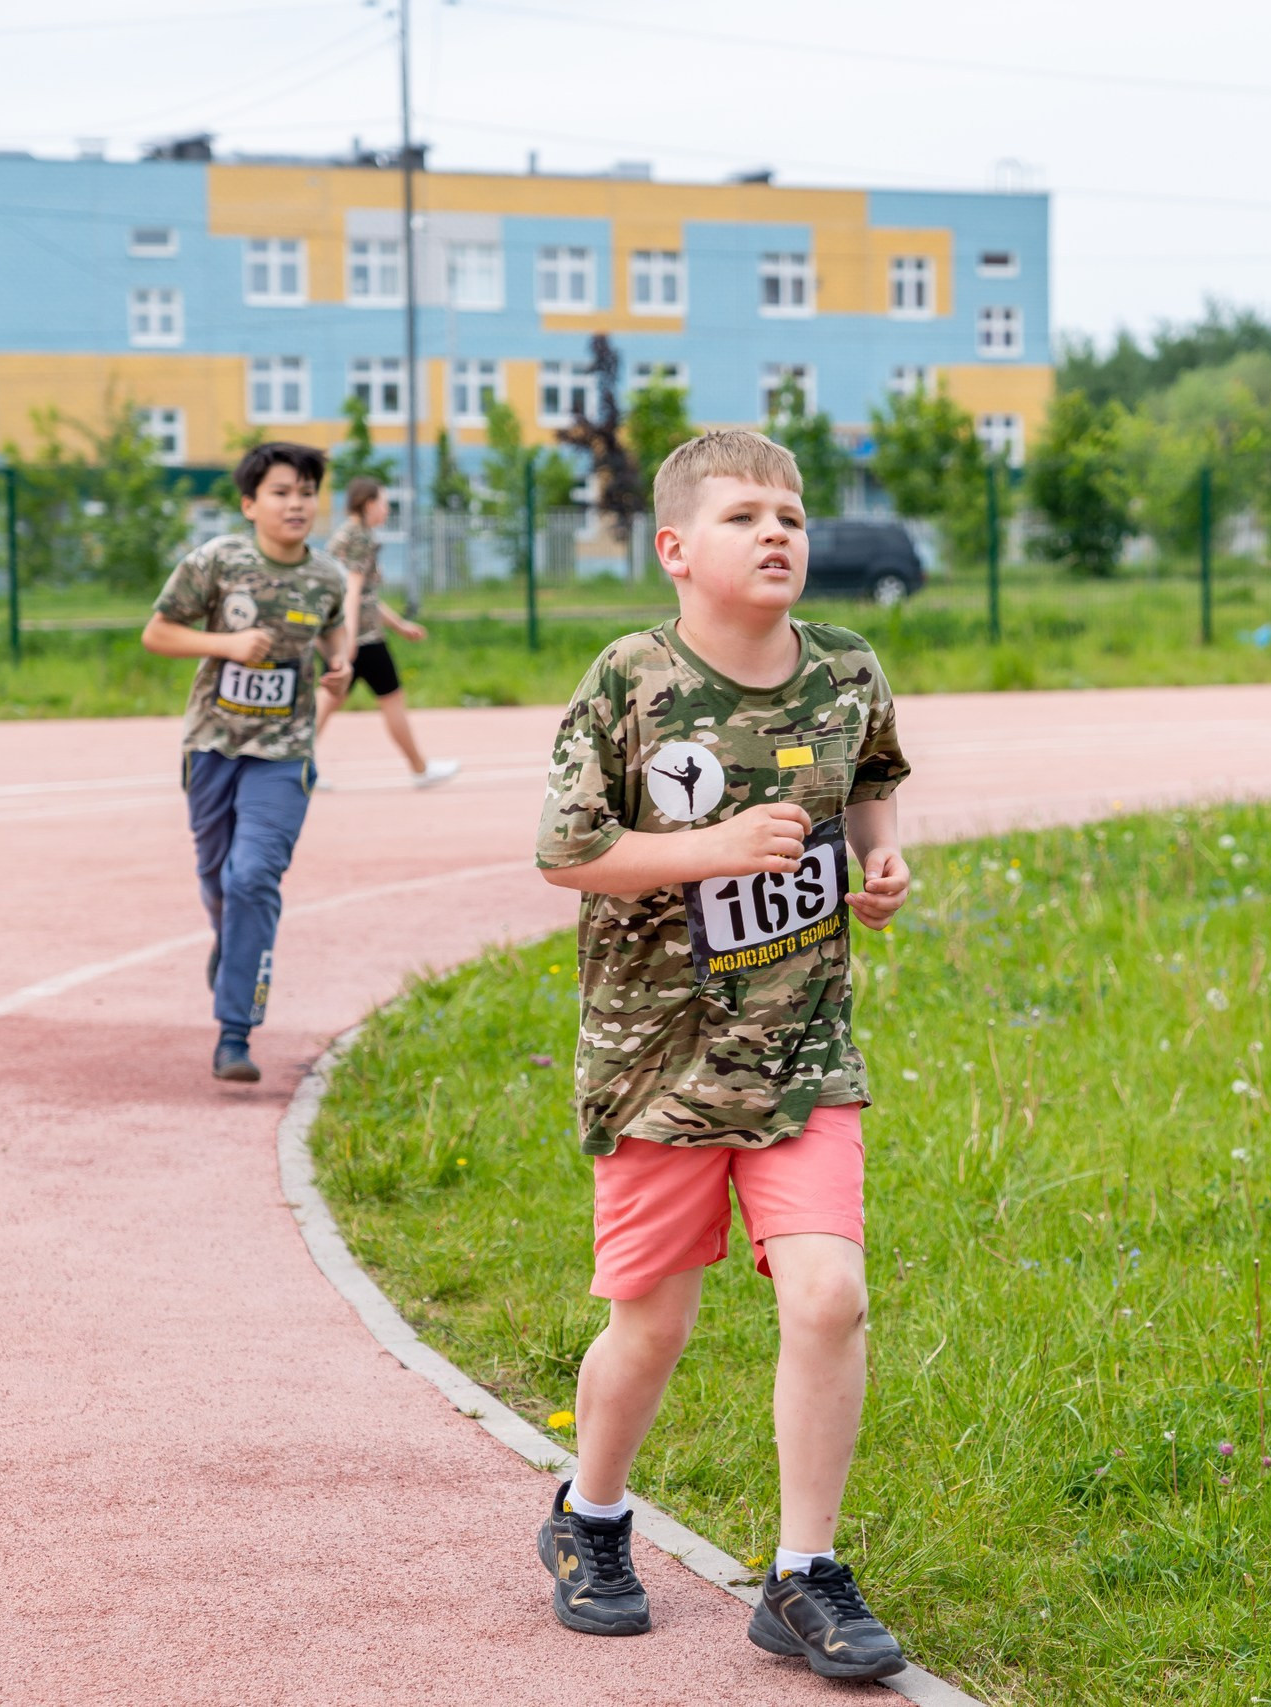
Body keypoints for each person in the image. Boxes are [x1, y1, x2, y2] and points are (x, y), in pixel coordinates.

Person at [531, 429, 913, 1680]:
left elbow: (870, 777)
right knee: (651, 1328)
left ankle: (803, 1574)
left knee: (831, 1297)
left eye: (792, 514)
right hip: (659, 1064)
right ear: (678, 549)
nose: (779, 533)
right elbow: (567, 854)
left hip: (802, 1054)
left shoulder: (847, 669)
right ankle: (590, 1519)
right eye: (747, 515)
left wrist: (881, 854)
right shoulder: (630, 679)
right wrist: (714, 849)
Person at [141, 443, 351, 1082]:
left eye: (307, 492)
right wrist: (225, 644)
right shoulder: (217, 561)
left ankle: (235, 1034)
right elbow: (157, 632)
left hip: (283, 753)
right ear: (249, 503)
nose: (297, 504)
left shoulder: (327, 577)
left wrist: (338, 666)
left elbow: (334, 627)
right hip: (212, 745)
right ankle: (230, 945)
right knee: (217, 878)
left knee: (252, 876)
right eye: (282, 492)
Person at [316, 478, 458, 788]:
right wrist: (349, 641)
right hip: (361, 640)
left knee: (327, 701)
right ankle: (420, 769)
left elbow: (365, 596)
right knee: (389, 700)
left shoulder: (349, 534)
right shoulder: (359, 538)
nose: (387, 508)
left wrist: (400, 626)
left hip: (347, 635)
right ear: (368, 504)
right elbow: (351, 593)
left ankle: (295, 768)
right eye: (383, 502)